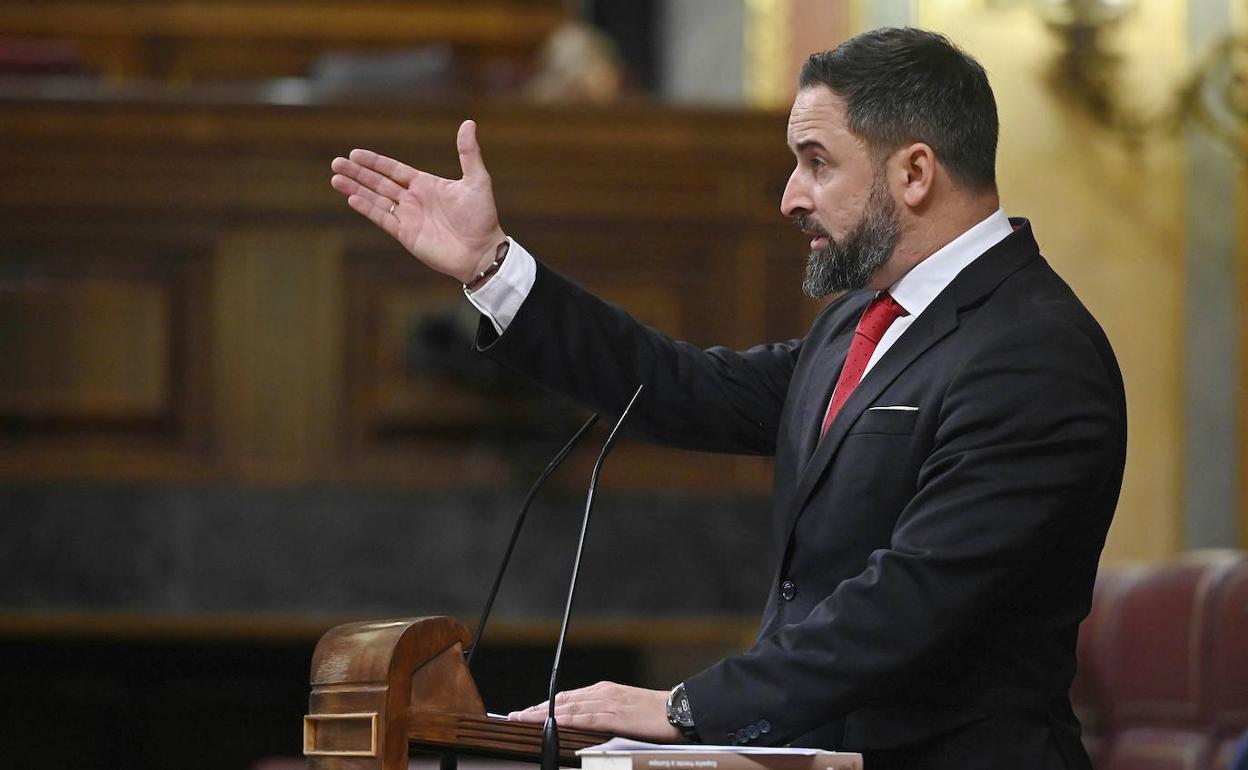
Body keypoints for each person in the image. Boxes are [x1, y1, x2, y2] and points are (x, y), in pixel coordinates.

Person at [330, 27, 1127, 770]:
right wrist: (492, 267)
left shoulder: (1034, 351)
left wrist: (685, 707)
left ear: (914, 173)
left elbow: (916, 600)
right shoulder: (858, 321)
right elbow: (683, 389)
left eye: (817, 162)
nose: (790, 197)